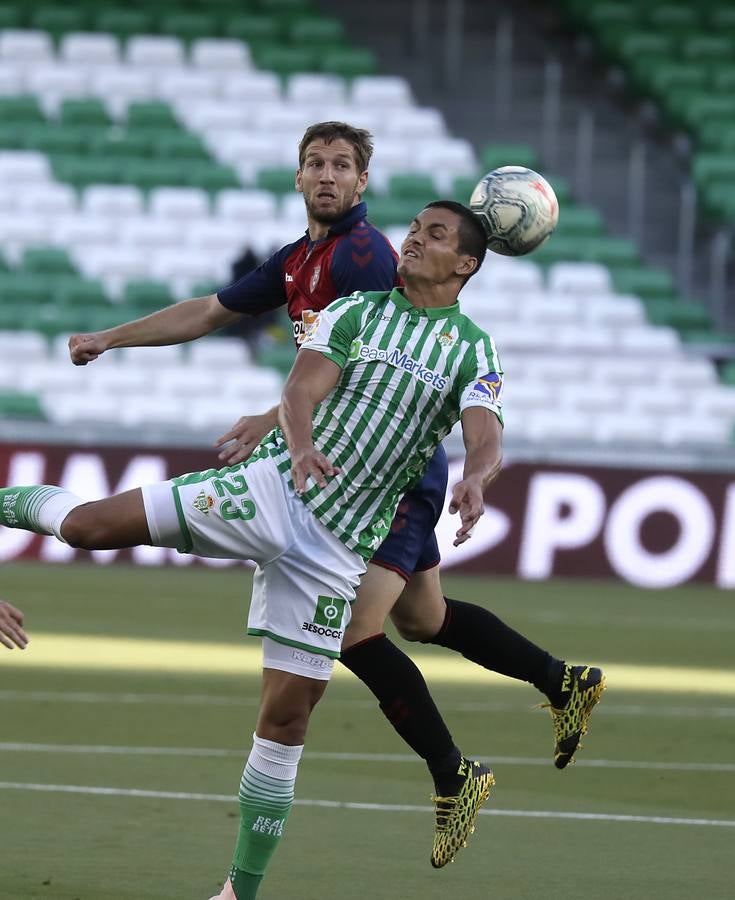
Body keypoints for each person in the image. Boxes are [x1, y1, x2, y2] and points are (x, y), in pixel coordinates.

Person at [66, 122, 604, 801]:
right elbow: (210, 310)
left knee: (354, 633)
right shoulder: (300, 257)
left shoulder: (366, 260)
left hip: (387, 477)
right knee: (424, 620)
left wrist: (285, 418)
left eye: (341, 165)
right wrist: (110, 338)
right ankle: (562, 682)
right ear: (297, 177)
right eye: (314, 163)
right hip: (351, 467)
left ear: (361, 183)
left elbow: (387, 358)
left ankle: (453, 776)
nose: (326, 175)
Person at [2, 199, 504, 898]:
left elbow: (483, 432)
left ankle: (238, 893)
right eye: (415, 229)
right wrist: (298, 447)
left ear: (466, 263)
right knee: (89, 527)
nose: (415, 240)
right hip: (268, 490)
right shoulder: (355, 314)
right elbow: (300, 388)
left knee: (286, 718)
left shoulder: (474, 350)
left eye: (435, 235)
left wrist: (477, 479)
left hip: (335, 549)